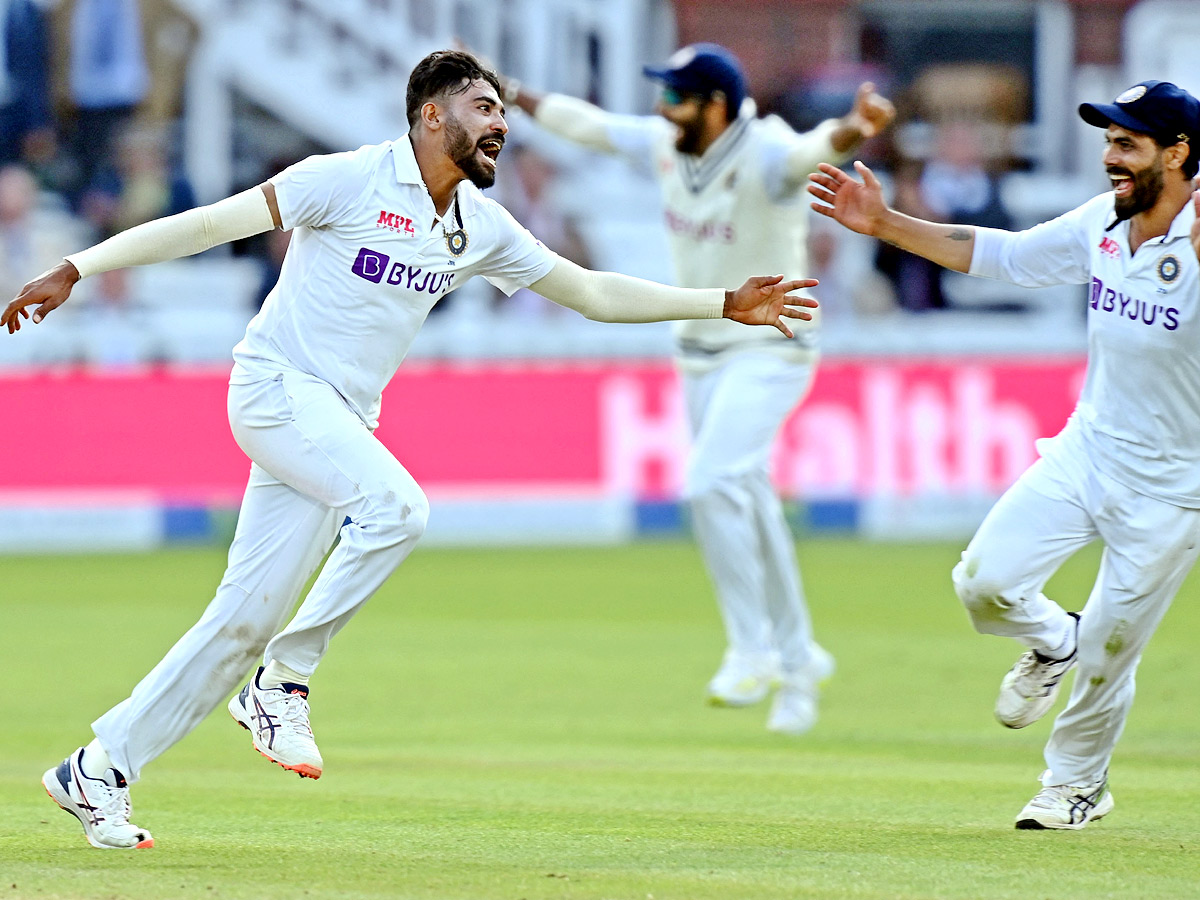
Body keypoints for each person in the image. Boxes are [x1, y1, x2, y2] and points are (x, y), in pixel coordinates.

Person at [2, 50, 817, 851]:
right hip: (276, 388)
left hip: (339, 422)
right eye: (482, 108)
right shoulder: (348, 177)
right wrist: (78, 264)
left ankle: (99, 768)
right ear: (432, 115)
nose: (500, 124)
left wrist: (721, 301)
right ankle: (283, 682)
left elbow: (591, 291)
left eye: (502, 110)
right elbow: (211, 223)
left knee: (240, 620)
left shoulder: (476, 225)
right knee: (397, 510)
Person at [809, 79, 1200, 829]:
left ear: (1179, 153)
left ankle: (1076, 786)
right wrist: (887, 223)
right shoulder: (1106, 222)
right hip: (1089, 451)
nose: (1112, 159)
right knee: (984, 583)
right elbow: (1012, 257)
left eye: (1129, 144)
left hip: (1174, 489)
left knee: (1113, 652)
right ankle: (1055, 640)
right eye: (1109, 143)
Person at [497, 44, 894, 733]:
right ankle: (799, 665)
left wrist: (856, 127)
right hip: (701, 351)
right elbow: (588, 126)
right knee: (748, 494)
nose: (661, 107)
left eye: (675, 97)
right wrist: (510, 89)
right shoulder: (667, 142)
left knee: (710, 482)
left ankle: (752, 650)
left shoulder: (764, 153)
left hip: (771, 346)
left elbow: (812, 151)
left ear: (713, 105)